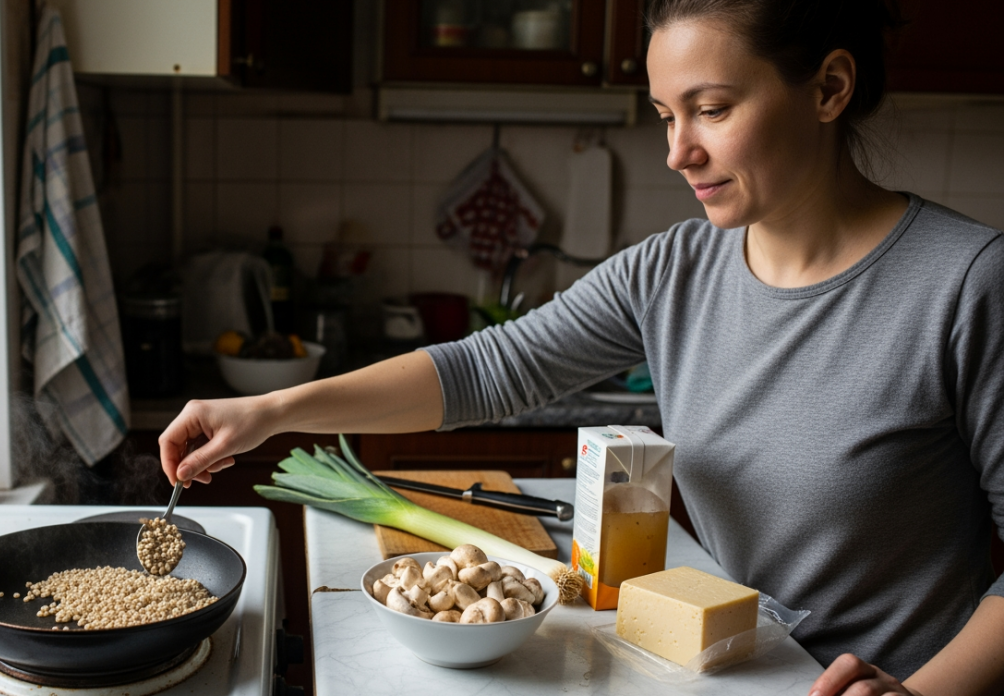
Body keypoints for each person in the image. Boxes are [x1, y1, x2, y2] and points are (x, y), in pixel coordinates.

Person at [159, 1, 1004, 693]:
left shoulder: (968, 283)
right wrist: (272, 411)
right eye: (668, 116)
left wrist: (921, 695)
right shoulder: (673, 269)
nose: (678, 152)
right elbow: (487, 368)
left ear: (828, 88)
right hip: (732, 675)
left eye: (711, 110)